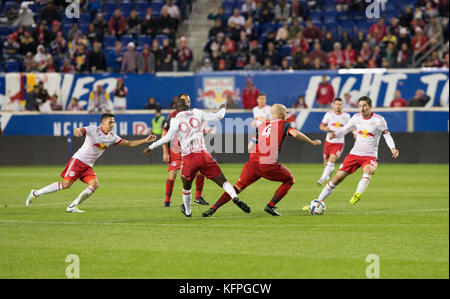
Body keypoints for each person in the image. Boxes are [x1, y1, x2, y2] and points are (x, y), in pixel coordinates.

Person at [202, 104, 322, 217]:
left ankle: (214, 208)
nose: (286, 114)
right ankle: (270, 206)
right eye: (285, 112)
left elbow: (256, 141)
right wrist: (312, 142)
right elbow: (295, 134)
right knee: (289, 179)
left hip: (253, 162)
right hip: (267, 164)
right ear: (280, 113)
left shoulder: (263, 124)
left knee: (237, 188)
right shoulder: (284, 124)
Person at [26, 114, 157, 212]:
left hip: (88, 166)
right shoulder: (93, 129)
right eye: (110, 122)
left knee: (94, 184)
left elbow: (129, 143)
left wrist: (145, 140)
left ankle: (72, 206)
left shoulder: (112, 137)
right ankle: (35, 193)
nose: (112, 124)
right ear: (103, 122)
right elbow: (82, 130)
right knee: (66, 185)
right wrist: (78, 132)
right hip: (78, 161)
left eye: (113, 122)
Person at [143, 94, 243, 217]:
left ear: (176, 109)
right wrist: (223, 108)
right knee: (222, 180)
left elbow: (167, 138)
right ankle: (234, 196)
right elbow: (218, 116)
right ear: (188, 106)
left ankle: (188, 212)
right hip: (203, 154)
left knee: (186, 187)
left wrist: (150, 147)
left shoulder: (175, 120)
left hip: (189, 157)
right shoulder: (197, 112)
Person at [303, 96, 399, 211]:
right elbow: (344, 130)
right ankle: (317, 203)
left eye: (364, 106)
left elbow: (387, 135)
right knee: (336, 179)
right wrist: (335, 135)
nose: (362, 109)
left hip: (370, 156)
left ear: (370, 107)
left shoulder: (379, 120)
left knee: (368, 170)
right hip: (354, 154)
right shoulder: (356, 118)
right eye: (360, 106)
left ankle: (357, 194)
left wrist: (393, 148)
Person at [158, 99, 208, 208]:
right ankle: (167, 201)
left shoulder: (193, 114)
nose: (188, 103)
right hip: (176, 151)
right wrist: (165, 152)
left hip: (189, 150)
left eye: (189, 101)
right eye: (186, 101)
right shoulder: (172, 116)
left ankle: (198, 197)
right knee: (173, 175)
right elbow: (164, 134)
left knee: (200, 172)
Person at [317, 98, 354, 186]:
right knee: (326, 163)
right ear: (333, 105)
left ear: (342, 105)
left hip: (339, 142)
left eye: (340, 104)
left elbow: (351, 127)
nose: (338, 106)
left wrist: (355, 133)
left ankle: (321, 180)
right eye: (336, 104)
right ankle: (330, 169)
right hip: (328, 141)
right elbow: (321, 126)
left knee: (332, 159)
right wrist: (325, 128)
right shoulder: (328, 114)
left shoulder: (346, 116)